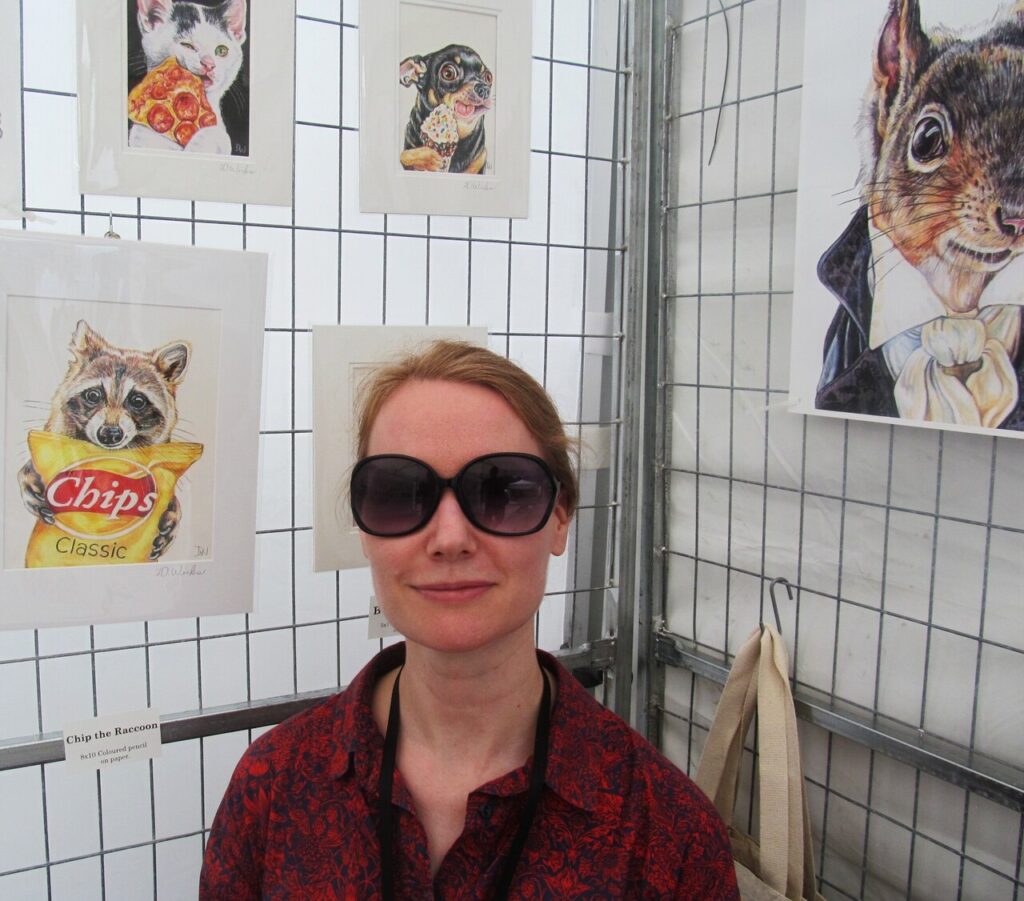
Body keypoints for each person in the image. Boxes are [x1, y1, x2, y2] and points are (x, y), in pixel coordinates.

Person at [199, 340, 739, 899]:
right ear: (364, 529)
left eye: (502, 490)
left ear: (560, 518)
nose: (450, 538)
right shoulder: (272, 786)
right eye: (400, 493)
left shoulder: (668, 836)